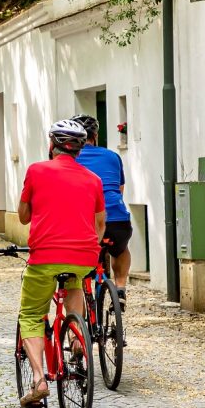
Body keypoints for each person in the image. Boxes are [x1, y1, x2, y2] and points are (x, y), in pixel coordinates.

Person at [16, 119, 105, 407]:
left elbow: (23, 216)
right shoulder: (93, 179)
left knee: (30, 315)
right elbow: (100, 223)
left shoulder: (36, 171)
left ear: (51, 145)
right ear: (79, 150)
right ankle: (78, 338)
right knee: (75, 281)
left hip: (45, 257)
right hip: (83, 256)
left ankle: (39, 379)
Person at [71, 114, 131, 306]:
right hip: (116, 218)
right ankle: (120, 288)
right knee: (120, 250)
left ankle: (80, 299)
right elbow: (119, 190)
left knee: (77, 259)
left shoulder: (72, 159)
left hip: (84, 221)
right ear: (95, 136)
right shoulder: (113, 156)